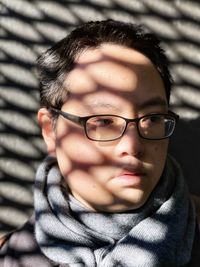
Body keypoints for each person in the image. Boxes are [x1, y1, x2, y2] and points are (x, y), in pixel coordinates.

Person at [0, 19, 199, 267]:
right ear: (51, 130)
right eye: (104, 120)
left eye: (153, 118)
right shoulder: (11, 256)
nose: (133, 144)